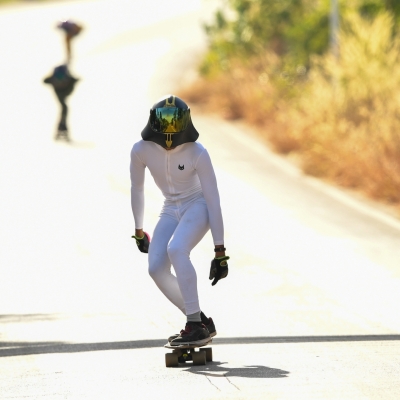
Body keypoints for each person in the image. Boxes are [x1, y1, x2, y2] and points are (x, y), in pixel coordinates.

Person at [130, 95, 229, 346]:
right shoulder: (140, 150)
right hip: (170, 207)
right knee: (155, 268)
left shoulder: (198, 152)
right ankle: (200, 321)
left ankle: (194, 324)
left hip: (198, 205)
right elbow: (137, 189)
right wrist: (139, 230)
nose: (170, 131)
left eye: (176, 123)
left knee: (176, 249)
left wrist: (220, 252)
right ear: (154, 123)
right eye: (165, 123)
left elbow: (213, 200)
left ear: (185, 124)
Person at [43, 64, 79, 141]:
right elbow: (45, 81)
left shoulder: (53, 80)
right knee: (64, 108)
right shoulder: (69, 80)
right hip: (62, 94)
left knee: (64, 108)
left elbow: (45, 81)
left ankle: (62, 126)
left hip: (60, 94)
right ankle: (62, 126)